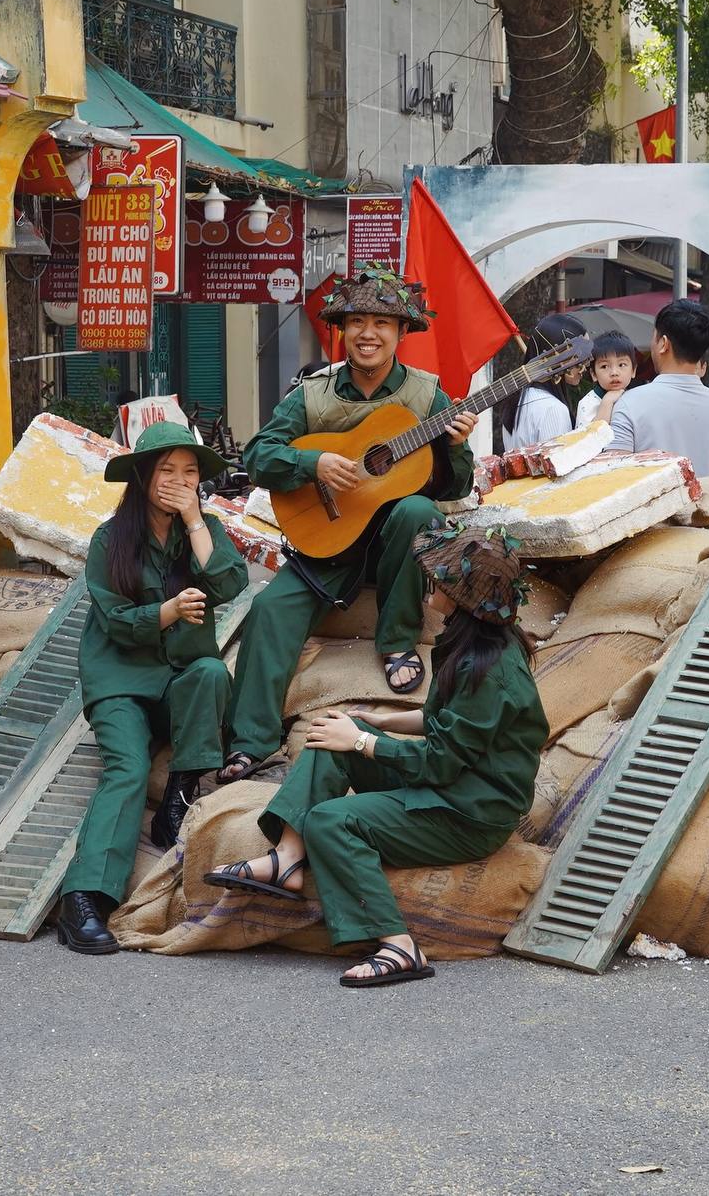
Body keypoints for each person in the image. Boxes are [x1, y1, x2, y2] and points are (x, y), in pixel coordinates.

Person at [204, 522, 547, 989]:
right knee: (333, 735)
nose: (430, 588)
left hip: (468, 813)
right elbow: (445, 723)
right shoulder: (471, 644)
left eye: (441, 581)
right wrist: (375, 723)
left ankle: (399, 946)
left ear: (462, 599)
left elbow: (441, 762)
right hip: (450, 786)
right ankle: (286, 857)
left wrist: (362, 742)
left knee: (331, 820)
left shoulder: (490, 672)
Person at [219, 265, 478, 785]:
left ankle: (397, 640)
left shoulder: (429, 398)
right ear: (342, 330)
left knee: (417, 509)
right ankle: (252, 743)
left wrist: (454, 447)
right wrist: (311, 465)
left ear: (402, 333)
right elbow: (259, 454)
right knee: (269, 608)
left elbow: (452, 488)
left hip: (397, 553)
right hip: (328, 546)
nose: (367, 333)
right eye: (356, 320)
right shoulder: (312, 394)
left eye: (381, 323)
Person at [56, 422, 248, 954]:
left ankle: (180, 797)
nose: (179, 481)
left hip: (179, 677)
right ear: (143, 477)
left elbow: (230, 583)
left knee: (211, 673)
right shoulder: (108, 539)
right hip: (119, 680)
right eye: (167, 470)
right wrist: (166, 612)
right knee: (129, 768)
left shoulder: (203, 527)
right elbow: (116, 621)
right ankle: (84, 901)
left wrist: (193, 519)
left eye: (190, 473)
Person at [608, 299, 709, 478]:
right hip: (708, 505)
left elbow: (614, 475)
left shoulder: (629, 403)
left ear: (663, 344)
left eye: (654, 336)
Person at [498, 313, 589, 449]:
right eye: (582, 353)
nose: (586, 365)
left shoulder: (516, 400)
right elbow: (556, 467)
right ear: (560, 355)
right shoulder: (553, 409)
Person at [575, 330, 638, 429]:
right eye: (604, 366)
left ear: (633, 370)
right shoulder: (588, 403)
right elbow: (588, 440)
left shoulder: (636, 398)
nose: (614, 373)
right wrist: (607, 402)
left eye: (621, 365)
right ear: (594, 374)